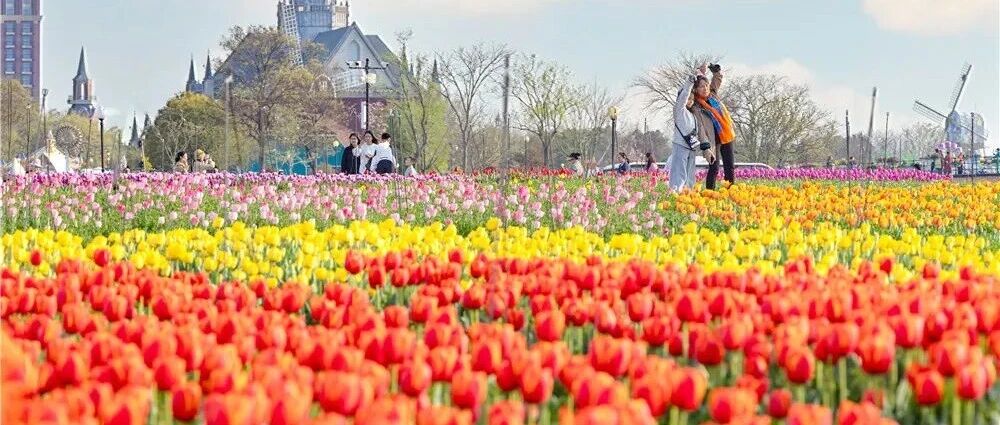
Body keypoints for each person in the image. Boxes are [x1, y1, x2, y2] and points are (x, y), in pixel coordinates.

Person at [668, 69, 716, 191]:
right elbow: (683, 97)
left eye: (692, 99)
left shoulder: (693, 116)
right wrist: (690, 82)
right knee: (679, 172)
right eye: (688, 99)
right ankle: (676, 192)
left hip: (691, 147)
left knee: (689, 174)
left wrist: (707, 150)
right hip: (680, 145)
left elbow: (699, 132)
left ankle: (688, 192)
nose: (690, 101)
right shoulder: (679, 110)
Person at [692, 63, 736, 189]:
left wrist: (716, 71)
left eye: (706, 85)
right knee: (714, 168)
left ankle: (730, 192)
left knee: (730, 166)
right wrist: (705, 145)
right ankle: (709, 194)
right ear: (696, 89)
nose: (705, 88)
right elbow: (700, 128)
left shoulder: (713, 95)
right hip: (713, 139)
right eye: (701, 87)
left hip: (726, 135)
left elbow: (717, 79)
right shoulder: (696, 107)